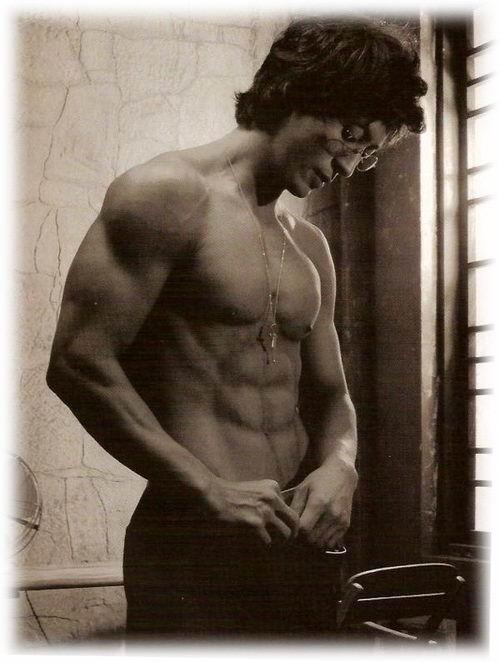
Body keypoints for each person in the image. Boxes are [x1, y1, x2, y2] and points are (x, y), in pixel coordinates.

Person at [46, 17, 427, 638]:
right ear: (302, 94)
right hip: (194, 534)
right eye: (351, 136)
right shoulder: (165, 193)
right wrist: (209, 490)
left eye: (365, 153)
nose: (350, 164)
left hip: (299, 540)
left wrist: (342, 464)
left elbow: (331, 394)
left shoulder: (309, 246)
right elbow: (79, 364)